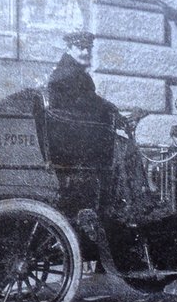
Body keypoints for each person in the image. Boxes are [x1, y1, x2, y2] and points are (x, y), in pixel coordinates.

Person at [46, 30, 154, 223]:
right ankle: (137, 204)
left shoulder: (71, 72)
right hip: (75, 142)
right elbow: (88, 106)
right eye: (80, 48)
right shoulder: (69, 75)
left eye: (88, 48)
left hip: (76, 138)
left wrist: (115, 114)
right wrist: (115, 117)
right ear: (68, 48)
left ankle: (124, 203)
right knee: (128, 149)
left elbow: (93, 102)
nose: (85, 52)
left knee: (122, 147)